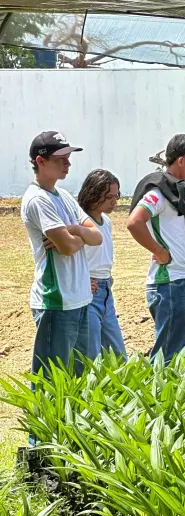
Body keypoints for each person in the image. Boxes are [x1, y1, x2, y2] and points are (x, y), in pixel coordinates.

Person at [21, 131, 102, 378]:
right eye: (60, 159)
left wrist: (75, 230)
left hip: (79, 297)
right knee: (51, 381)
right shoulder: (37, 199)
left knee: (78, 377)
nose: (67, 164)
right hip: (56, 301)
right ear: (40, 161)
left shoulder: (64, 196)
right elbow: (66, 248)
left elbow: (97, 237)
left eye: (68, 158)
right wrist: (78, 237)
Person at [127, 134, 185, 365]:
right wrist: (159, 251)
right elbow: (134, 222)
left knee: (180, 352)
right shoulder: (158, 193)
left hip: (181, 280)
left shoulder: (176, 193)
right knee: (169, 357)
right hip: (170, 282)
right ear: (181, 161)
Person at [77, 169, 127, 361]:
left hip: (105, 288)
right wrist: (82, 279)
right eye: (108, 197)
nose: (114, 202)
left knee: (117, 353)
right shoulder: (81, 221)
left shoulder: (106, 221)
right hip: (89, 289)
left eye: (116, 196)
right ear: (93, 194)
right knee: (91, 354)